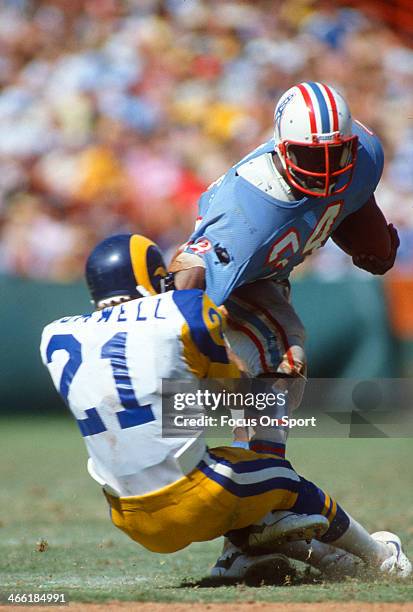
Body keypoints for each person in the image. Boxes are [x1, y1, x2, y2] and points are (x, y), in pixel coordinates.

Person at [40, 233, 411, 582]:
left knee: (231, 469)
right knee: (283, 479)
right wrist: (273, 373)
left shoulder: (57, 333)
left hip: (127, 516)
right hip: (195, 498)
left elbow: (144, 398)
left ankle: (244, 550)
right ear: (150, 279)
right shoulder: (179, 309)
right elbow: (237, 388)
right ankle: (380, 556)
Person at [169, 81, 400, 451]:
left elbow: (350, 196)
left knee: (279, 366)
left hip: (268, 272)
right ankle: (256, 468)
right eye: (312, 158)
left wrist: (368, 238)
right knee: (278, 355)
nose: (326, 172)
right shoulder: (248, 211)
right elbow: (190, 272)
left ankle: (253, 465)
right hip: (239, 279)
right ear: (283, 151)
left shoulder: (364, 156)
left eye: (336, 155)